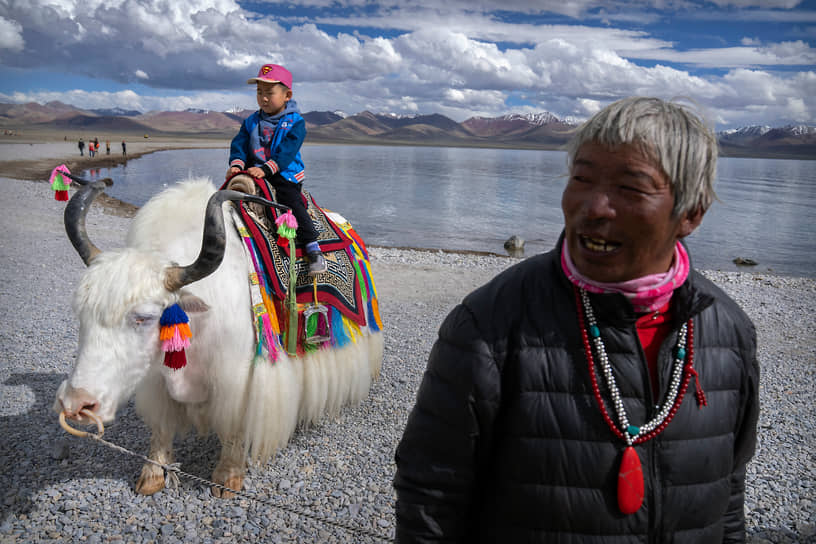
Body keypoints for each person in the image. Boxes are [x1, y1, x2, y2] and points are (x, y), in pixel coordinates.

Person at [393, 97, 759, 543]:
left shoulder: (727, 330)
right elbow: (430, 497)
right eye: (581, 178)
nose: (594, 206)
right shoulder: (490, 325)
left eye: (631, 188)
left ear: (691, 213)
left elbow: (729, 495)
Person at [225, 63, 326, 276]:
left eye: (269, 93)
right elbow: (240, 144)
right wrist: (236, 164)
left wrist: (268, 168)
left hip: (284, 172)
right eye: (259, 92)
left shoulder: (295, 122)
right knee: (225, 197)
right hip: (254, 171)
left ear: (287, 94)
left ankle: (312, 247)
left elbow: (287, 150)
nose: (263, 98)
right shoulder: (251, 121)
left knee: (291, 202)